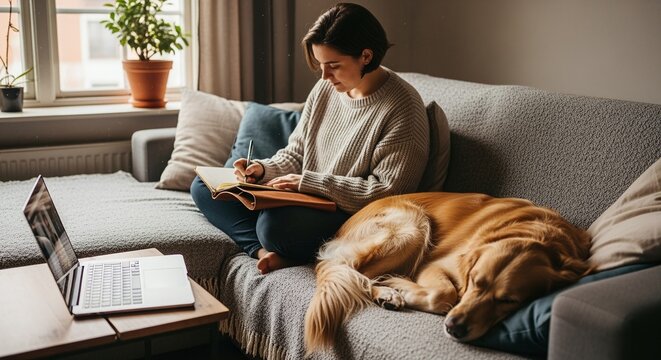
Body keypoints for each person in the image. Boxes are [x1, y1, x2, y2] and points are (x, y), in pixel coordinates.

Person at [191, 2, 429, 274]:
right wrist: (263, 170)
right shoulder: (326, 89)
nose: (325, 76)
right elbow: (297, 152)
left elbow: (389, 192)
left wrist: (309, 183)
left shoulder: (404, 107)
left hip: (350, 215)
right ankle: (262, 251)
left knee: (274, 227)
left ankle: (275, 246)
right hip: (306, 200)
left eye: (334, 65)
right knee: (204, 186)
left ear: (365, 55)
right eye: (320, 65)